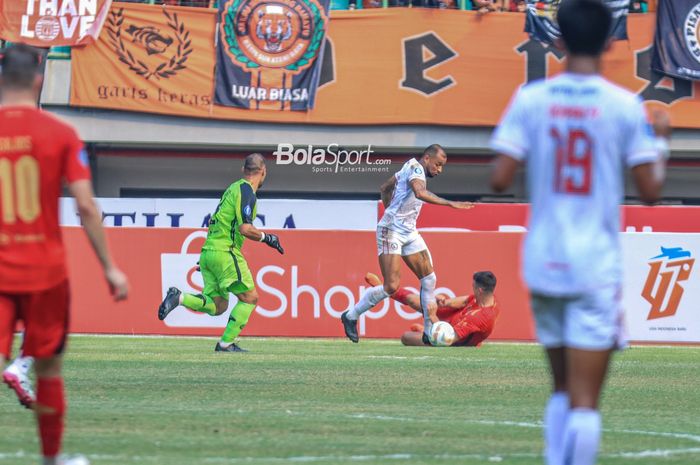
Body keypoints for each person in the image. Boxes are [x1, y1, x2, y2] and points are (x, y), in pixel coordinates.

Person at [489, 1, 670, 465]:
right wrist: (662, 141)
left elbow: (500, 178)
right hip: (595, 265)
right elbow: (650, 191)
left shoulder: (532, 99)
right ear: (610, 42)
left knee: (561, 388)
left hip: (544, 260)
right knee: (586, 400)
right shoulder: (623, 106)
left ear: (559, 41)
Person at [0, 44, 129, 465]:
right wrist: (110, 268)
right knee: (49, 371)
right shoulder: (61, 134)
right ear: (38, 81)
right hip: (45, 274)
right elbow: (87, 206)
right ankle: (52, 461)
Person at [340, 145, 473, 343]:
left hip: (408, 231)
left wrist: (390, 210)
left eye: (442, 166)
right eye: (437, 164)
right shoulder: (417, 170)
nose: (440, 169)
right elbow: (419, 193)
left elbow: (385, 188)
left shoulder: (408, 166)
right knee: (391, 286)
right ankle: (351, 315)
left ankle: (429, 333)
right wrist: (450, 203)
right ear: (427, 158)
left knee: (429, 279)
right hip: (391, 231)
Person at [157, 154, 284, 353]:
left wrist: (212, 258)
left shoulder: (231, 189)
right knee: (250, 298)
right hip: (226, 251)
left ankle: (180, 297)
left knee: (218, 306)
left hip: (208, 252)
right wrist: (267, 238)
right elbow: (245, 228)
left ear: (243, 169)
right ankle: (225, 344)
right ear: (264, 171)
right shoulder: (246, 190)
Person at [364, 271, 499, 346]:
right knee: (417, 300)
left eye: (473, 287)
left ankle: (426, 330)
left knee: (406, 338)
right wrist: (445, 302)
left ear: (480, 290)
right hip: (455, 318)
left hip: (453, 337)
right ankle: (385, 289)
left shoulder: (479, 318)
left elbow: (448, 338)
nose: (472, 288)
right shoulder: (488, 298)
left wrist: (433, 316)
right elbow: (466, 300)